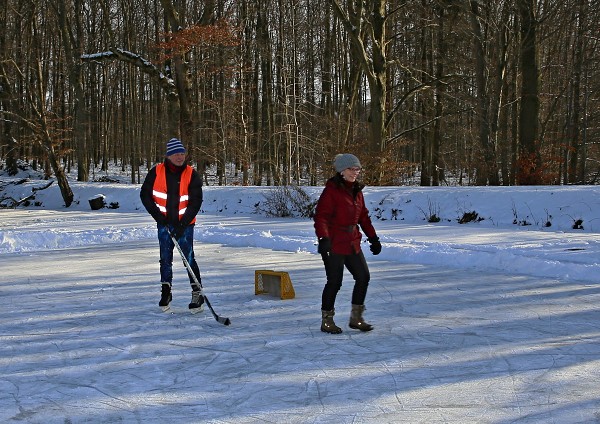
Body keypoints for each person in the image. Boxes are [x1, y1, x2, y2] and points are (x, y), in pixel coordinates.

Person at [313, 153, 382, 334]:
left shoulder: (357, 191)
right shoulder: (332, 190)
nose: (355, 172)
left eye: (358, 169)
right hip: (334, 244)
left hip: (352, 242)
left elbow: (363, 217)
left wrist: (374, 238)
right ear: (342, 171)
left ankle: (356, 318)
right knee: (334, 282)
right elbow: (321, 217)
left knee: (363, 277)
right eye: (352, 169)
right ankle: (327, 321)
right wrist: (323, 238)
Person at [140, 138, 205, 313]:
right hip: (164, 224)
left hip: (185, 225)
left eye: (182, 153)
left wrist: (183, 224)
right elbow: (145, 196)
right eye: (176, 153)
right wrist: (158, 218)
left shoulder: (192, 174)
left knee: (188, 258)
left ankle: (197, 292)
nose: (180, 157)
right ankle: (166, 292)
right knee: (165, 259)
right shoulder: (156, 172)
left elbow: (195, 201)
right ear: (168, 155)